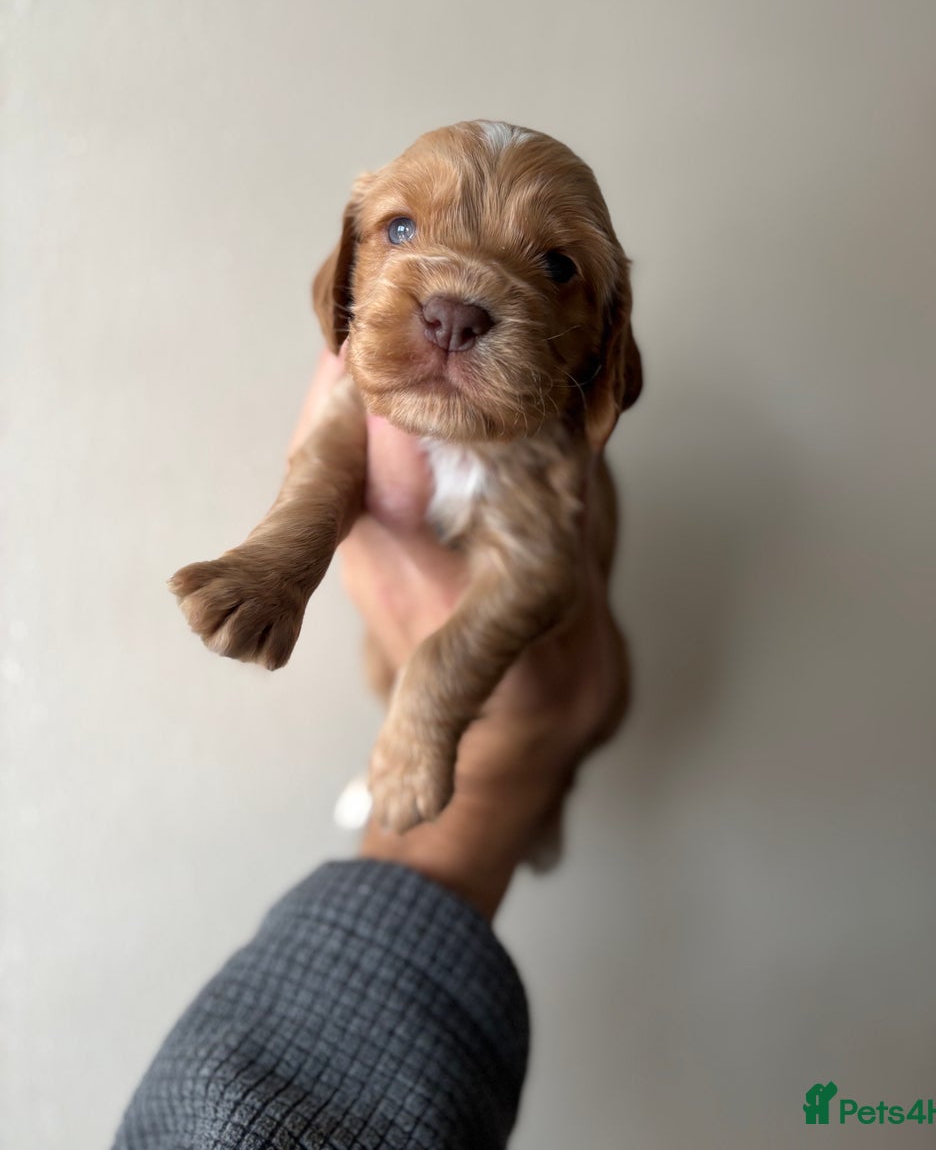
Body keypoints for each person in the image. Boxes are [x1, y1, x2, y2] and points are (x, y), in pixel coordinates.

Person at [114, 350, 630, 1149]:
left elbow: (537, 569)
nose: (453, 303)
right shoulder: (378, 364)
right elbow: (331, 460)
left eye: (556, 268)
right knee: (379, 670)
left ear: (605, 344)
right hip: (452, 745)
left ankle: (533, 791)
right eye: (398, 231)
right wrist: (282, 563)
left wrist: (455, 722)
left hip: (525, 669)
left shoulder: (550, 430)